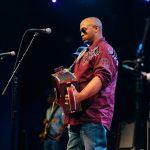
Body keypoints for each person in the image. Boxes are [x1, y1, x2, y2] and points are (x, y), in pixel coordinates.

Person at [65, 17, 118, 150]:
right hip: (77, 116)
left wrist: (79, 97)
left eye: (84, 29)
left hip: (93, 115)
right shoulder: (84, 52)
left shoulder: (104, 49)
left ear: (96, 28)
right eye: (80, 31)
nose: (81, 33)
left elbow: (101, 78)